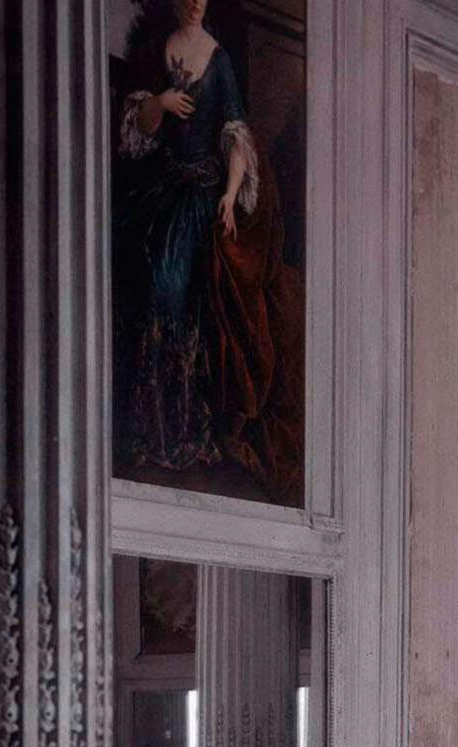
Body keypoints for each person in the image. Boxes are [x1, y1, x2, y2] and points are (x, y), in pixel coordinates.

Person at [112, 0, 304, 505]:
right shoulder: (155, 50)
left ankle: (185, 429)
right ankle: (148, 429)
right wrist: (160, 103)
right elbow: (137, 132)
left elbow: (236, 136)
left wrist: (229, 193)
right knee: (138, 273)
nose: (196, 1)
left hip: (202, 192)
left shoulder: (218, 60)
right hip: (162, 188)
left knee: (176, 287)